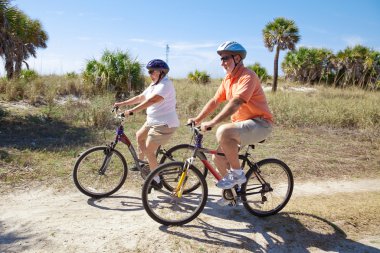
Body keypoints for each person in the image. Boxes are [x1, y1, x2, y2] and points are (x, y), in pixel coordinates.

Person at [188, 41, 273, 205]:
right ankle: (233, 194)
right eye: (221, 59)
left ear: (238, 58)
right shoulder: (228, 79)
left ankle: (238, 174)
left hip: (261, 123)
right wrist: (197, 119)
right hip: (243, 125)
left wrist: (212, 122)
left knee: (223, 131)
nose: (222, 63)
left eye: (225, 58)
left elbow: (236, 102)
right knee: (217, 158)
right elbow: (215, 101)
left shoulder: (248, 76)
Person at [114, 59, 179, 188]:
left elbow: (152, 100)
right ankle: (143, 165)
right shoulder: (154, 84)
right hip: (152, 121)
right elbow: (140, 98)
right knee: (139, 136)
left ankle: (156, 180)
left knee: (149, 150)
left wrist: (132, 111)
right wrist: (121, 104)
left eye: (151, 71)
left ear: (161, 72)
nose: (149, 74)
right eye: (148, 71)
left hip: (164, 123)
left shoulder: (165, 85)